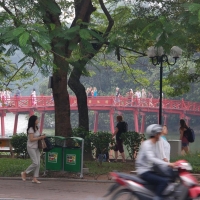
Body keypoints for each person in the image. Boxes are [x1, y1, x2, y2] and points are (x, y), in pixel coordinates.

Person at [136, 124, 175, 200]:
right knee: (163, 181)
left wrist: (166, 165)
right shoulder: (147, 144)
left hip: (149, 170)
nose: (160, 135)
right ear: (156, 134)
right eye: (159, 134)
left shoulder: (153, 144)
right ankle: (157, 198)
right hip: (144, 171)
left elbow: (157, 158)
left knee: (166, 178)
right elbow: (152, 159)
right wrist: (168, 164)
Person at [21, 115, 46, 184]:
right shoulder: (31, 129)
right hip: (31, 147)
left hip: (36, 147)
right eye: (37, 119)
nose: (38, 121)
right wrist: (40, 138)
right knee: (35, 162)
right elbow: (31, 139)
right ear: (33, 121)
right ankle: (25, 172)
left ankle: (35, 178)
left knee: (38, 163)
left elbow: (37, 136)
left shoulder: (36, 128)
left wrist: (42, 136)